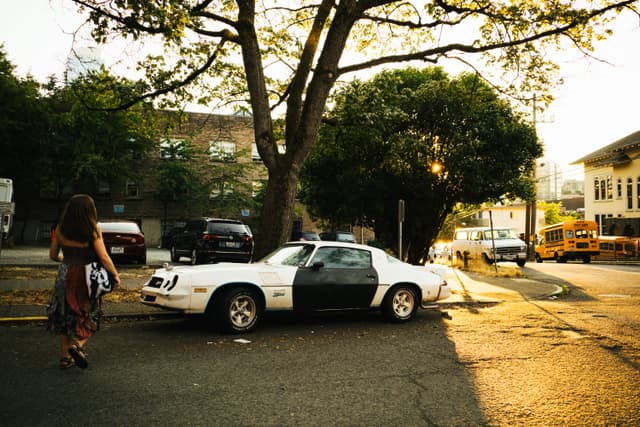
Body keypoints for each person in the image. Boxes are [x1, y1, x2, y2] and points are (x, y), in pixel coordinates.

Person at [47, 194, 120, 369]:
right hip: (85, 277)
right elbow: (103, 256)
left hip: (64, 274)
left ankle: (65, 358)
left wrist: (65, 259)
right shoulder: (92, 229)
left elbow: (52, 255)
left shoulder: (60, 229)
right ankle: (77, 346)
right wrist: (115, 275)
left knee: (64, 314)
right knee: (91, 313)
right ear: (89, 210)